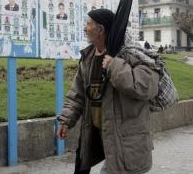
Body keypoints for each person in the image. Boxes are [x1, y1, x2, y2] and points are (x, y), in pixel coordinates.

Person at [57, 9, 160, 174]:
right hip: (100, 134)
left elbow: (147, 87)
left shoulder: (129, 53)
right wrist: (66, 120)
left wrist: (115, 66)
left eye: (88, 24)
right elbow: (77, 94)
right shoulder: (88, 57)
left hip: (126, 141)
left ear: (101, 30)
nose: (85, 28)